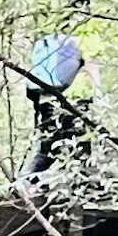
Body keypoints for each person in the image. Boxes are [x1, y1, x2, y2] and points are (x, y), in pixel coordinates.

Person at [24, 22, 92, 177]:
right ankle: (81, 186)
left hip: (46, 99)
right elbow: (91, 66)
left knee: (46, 147)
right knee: (80, 145)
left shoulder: (48, 40)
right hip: (74, 100)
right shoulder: (84, 37)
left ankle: (26, 180)